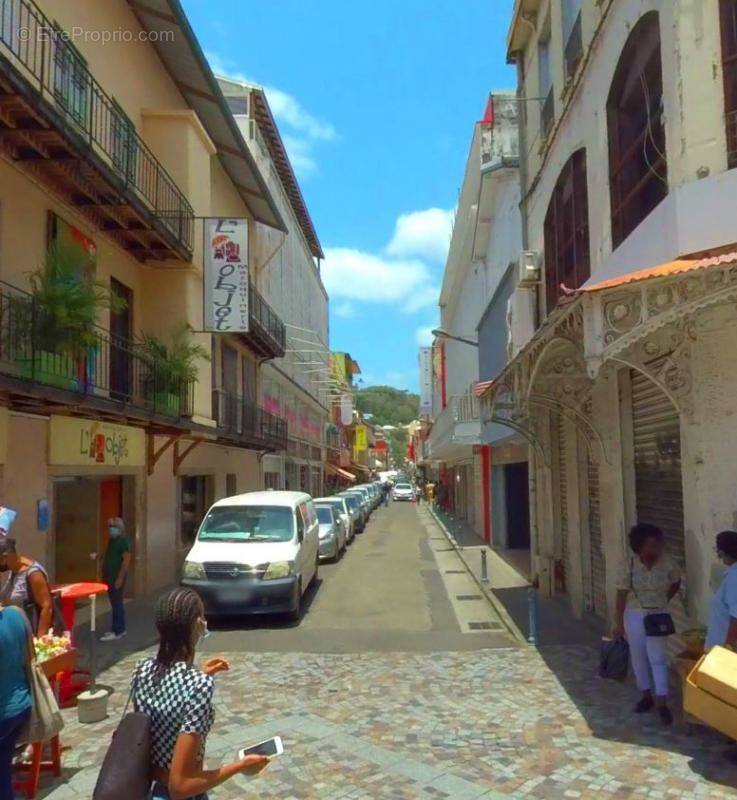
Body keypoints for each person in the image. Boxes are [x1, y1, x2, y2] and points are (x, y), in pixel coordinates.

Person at [131, 588, 269, 799]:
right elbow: (180, 787)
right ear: (196, 625)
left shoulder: (141, 670)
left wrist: (201, 675)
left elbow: (161, 719)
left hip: (153, 790)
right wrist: (241, 765)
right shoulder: (198, 686)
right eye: (202, 617)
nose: (205, 622)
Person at [614, 523, 681, 726]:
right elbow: (621, 594)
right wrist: (618, 623)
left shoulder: (668, 563)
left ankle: (662, 701)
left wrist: (665, 600)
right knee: (639, 656)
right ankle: (646, 694)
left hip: (658, 614)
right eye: (650, 546)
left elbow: (676, 582)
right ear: (639, 546)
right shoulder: (629, 565)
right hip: (635, 615)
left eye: (657, 545)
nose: (655, 550)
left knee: (658, 658)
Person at [0, 600, 32, 800]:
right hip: (20, 705)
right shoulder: (17, 614)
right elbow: (30, 658)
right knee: (3, 770)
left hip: (3, 712)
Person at [0, 537, 56, 637]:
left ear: (5, 557)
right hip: (14, 634)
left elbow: (47, 607)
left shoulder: (33, 574)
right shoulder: (14, 571)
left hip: (28, 637)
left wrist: (39, 642)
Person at [100, 517, 131, 642]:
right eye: (109, 526)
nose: (111, 529)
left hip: (116, 578)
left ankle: (118, 630)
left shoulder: (122, 541)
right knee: (114, 604)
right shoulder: (112, 541)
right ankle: (116, 628)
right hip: (109, 578)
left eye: (113, 526)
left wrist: (120, 578)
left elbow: (126, 560)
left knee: (117, 604)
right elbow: (109, 555)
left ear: (120, 528)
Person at [706, 530, 737, 651]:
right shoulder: (732, 573)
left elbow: (736, 615)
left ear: (722, 552)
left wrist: (728, 646)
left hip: (724, 647)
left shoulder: (734, 577)